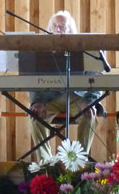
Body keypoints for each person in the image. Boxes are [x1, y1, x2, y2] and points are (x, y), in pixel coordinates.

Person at [28, 10, 100, 157]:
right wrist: (36, 102)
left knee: (89, 115)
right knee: (34, 118)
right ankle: (46, 163)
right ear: (49, 30)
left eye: (63, 27)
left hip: (76, 97)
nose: (59, 30)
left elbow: (96, 78)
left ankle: (79, 161)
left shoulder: (84, 49)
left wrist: (89, 102)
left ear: (71, 31)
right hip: (49, 99)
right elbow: (32, 79)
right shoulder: (41, 51)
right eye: (55, 26)